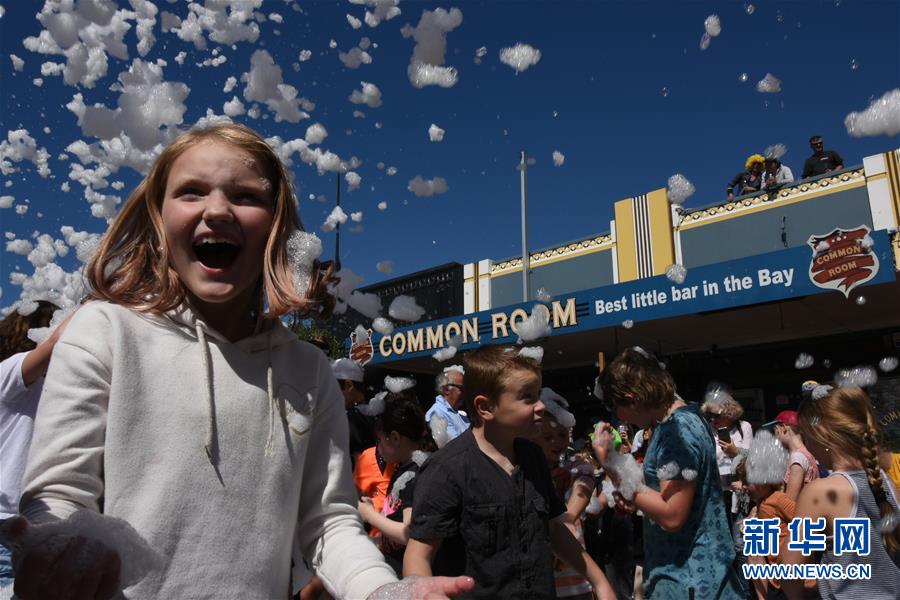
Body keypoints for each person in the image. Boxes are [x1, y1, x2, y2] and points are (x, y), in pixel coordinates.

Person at [8, 123, 472, 600]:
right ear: (158, 218)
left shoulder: (309, 371)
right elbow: (58, 496)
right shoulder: (104, 331)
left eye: (246, 196)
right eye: (190, 192)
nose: (217, 209)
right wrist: (56, 549)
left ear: (276, 228)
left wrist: (381, 590)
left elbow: (328, 523)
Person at [405, 345, 615, 599]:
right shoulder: (447, 469)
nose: (540, 406)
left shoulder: (532, 456)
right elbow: (418, 555)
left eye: (538, 394)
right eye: (527, 397)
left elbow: (553, 528)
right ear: (485, 407)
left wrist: (599, 582)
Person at [593, 347, 744, 599]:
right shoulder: (689, 418)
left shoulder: (676, 431)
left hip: (688, 579)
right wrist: (637, 498)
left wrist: (611, 463)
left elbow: (673, 515)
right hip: (700, 576)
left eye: (614, 405)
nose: (618, 415)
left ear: (632, 398)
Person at [782, 386, 900, 599]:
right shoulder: (889, 484)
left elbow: (791, 570)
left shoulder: (819, 492)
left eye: (808, 438)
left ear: (823, 435)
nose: (808, 446)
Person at [0, 302, 73, 590]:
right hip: (5, 523)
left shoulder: (50, 387)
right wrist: (100, 302)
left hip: (32, 525)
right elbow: (57, 342)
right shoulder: (9, 373)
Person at [357, 390, 432, 576]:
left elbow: (409, 534)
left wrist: (370, 516)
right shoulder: (404, 469)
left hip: (403, 575)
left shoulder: (414, 476)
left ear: (395, 438)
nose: (378, 448)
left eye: (380, 440)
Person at [532, 388, 597, 600]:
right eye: (548, 436)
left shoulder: (577, 467)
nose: (557, 442)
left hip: (575, 579)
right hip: (540, 581)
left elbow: (583, 488)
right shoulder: (526, 475)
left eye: (562, 435)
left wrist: (567, 520)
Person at [703, 389, 754, 526]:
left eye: (716, 415)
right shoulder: (707, 429)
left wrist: (735, 451)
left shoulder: (744, 427)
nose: (713, 419)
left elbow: (751, 457)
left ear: (729, 412)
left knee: (739, 540)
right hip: (716, 490)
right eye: (710, 415)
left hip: (738, 489)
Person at [763, 410, 819, 502]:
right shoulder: (808, 454)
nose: (775, 438)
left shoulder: (797, 458)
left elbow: (789, 502)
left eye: (775, 432)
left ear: (783, 428)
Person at [332, 357, 376, 466]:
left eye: (332, 387)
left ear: (348, 386)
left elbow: (361, 464)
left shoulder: (353, 419)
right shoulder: (375, 412)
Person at [426, 365, 470, 446]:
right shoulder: (437, 413)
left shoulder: (460, 414)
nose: (465, 392)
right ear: (446, 389)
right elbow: (454, 448)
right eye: (461, 388)